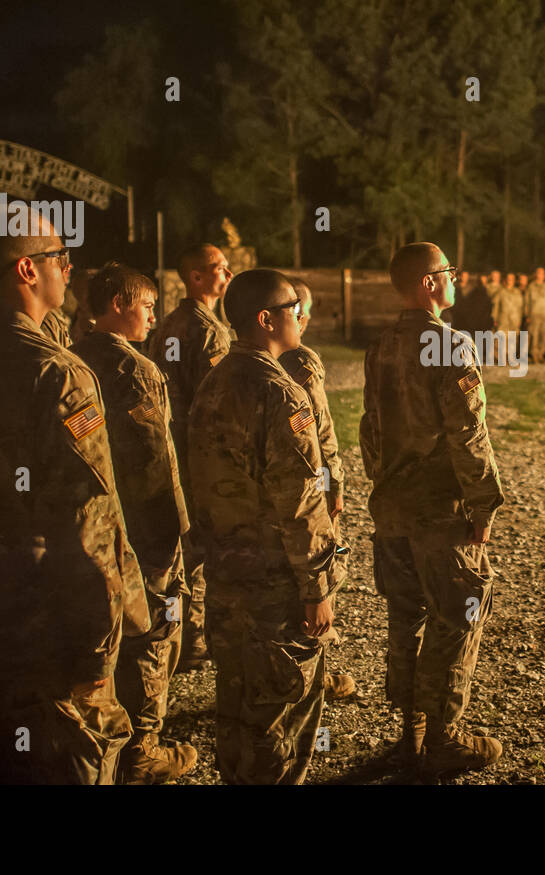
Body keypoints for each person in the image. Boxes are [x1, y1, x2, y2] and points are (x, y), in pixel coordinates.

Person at [0, 210, 150, 784]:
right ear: (27, 269)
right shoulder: (57, 373)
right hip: (43, 638)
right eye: (61, 257)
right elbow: (90, 525)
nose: (69, 269)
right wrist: (98, 652)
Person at [189, 269, 345, 785]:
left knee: (236, 705)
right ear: (265, 320)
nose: (300, 316)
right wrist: (317, 586)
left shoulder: (214, 383)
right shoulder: (280, 394)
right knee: (282, 715)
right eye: (290, 310)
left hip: (228, 577)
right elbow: (299, 504)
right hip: (274, 587)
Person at [361, 243, 504, 774]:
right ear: (428, 283)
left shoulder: (380, 345)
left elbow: (369, 427)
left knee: (407, 614)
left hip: (392, 505)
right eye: (447, 272)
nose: (453, 279)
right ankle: (444, 737)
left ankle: (410, 732)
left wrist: (382, 483)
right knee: (459, 613)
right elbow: (467, 431)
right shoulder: (451, 345)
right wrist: (485, 502)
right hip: (438, 509)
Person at [70, 263, 198, 784]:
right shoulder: (137, 370)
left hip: (89, 524)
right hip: (142, 528)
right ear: (120, 305)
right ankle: (143, 747)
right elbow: (155, 464)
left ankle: (104, 738)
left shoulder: (72, 359)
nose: (153, 315)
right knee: (155, 631)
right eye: (147, 305)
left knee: (104, 629)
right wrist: (178, 530)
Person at [148, 242, 234, 669]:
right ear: (196, 277)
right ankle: (195, 641)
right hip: (197, 455)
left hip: (169, 450)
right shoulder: (208, 331)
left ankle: (178, 636)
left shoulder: (168, 325)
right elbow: (216, 401)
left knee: (177, 553)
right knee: (200, 557)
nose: (229, 274)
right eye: (220, 268)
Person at [279, 277, 356, 701]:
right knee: (317, 572)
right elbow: (322, 435)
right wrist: (335, 486)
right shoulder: (302, 361)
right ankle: (313, 674)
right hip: (310, 486)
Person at [524, 267, 545, 362]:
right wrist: (527, 314)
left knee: (544, 334)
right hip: (534, 314)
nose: (540, 275)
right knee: (534, 335)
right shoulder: (531, 286)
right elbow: (527, 301)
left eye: (542, 273)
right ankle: (534, 355)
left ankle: (541, 354)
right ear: (536, 274)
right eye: (539, 273)